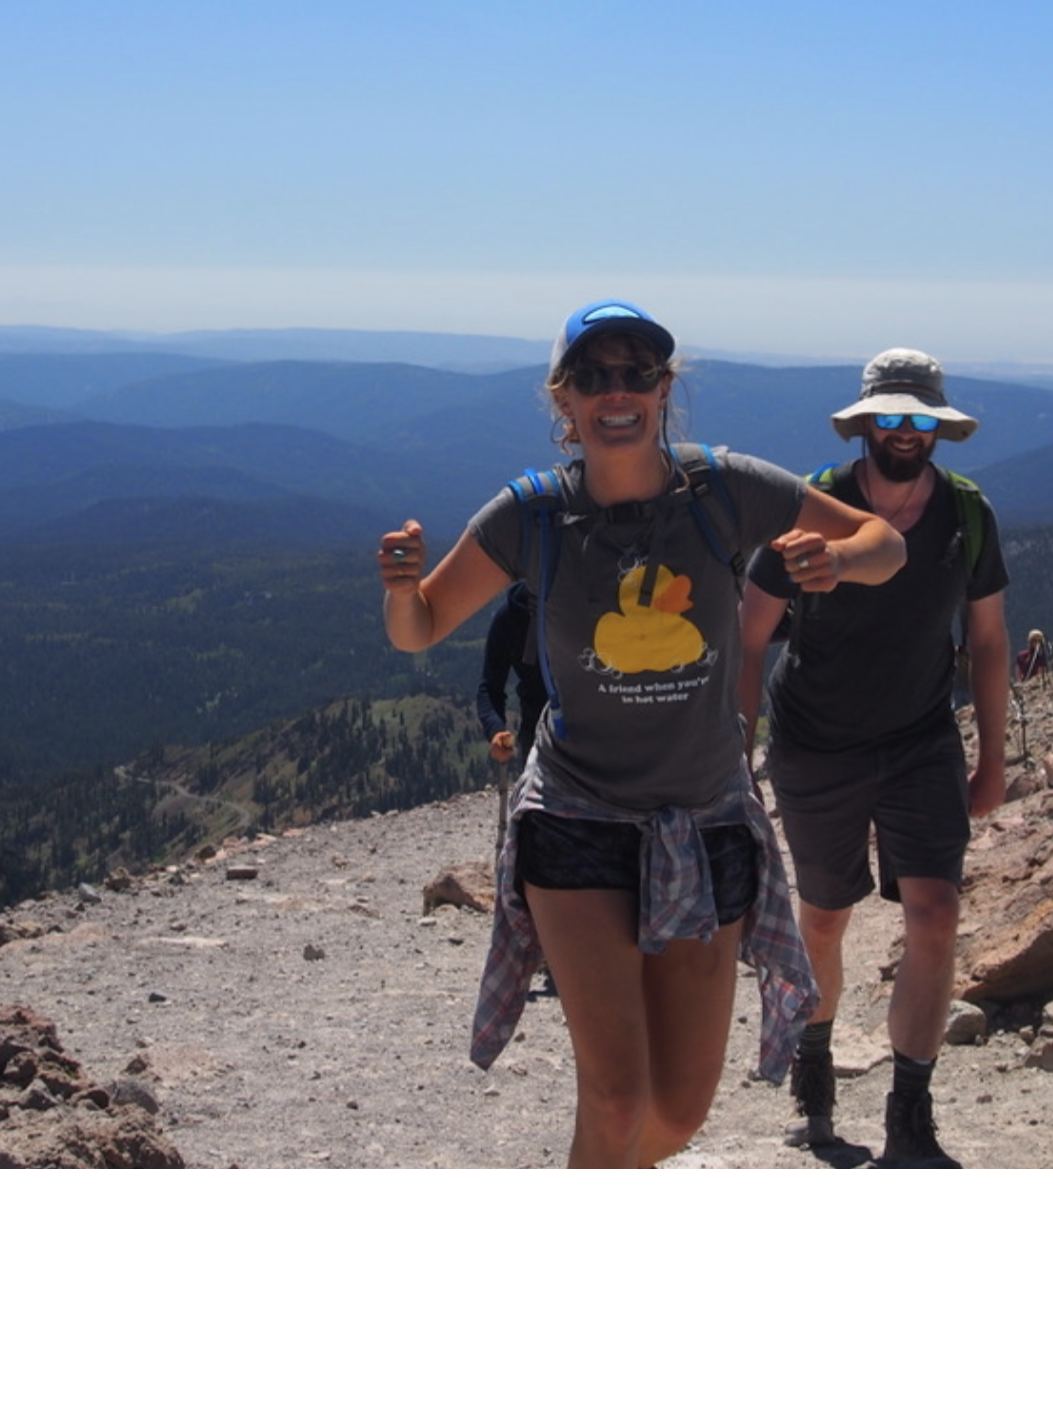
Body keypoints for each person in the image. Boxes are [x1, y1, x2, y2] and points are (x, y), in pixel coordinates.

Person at [380, 299, 904, 1169]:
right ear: (564, 400)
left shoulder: (726, 490)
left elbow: (885, 543)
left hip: (704, 824)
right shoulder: (532, 516)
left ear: (665, 389)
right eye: (593, 376)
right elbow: (421, 624)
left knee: (678, 1112)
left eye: (637, 374)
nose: (616, 391)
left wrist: (839, 560)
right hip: (577, 820)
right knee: (617, 1094)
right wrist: (401, 587)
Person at [739, 347, 1010, 1168]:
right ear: (864, 424)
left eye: (919, 418)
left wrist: (990, 760)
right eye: (889, 417)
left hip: (921, 736)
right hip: (816, 743)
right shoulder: (807, 511)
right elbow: (749, 638)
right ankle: (815, 1071)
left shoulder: (967, 516)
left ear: (939, 428)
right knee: (825, 916)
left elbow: (990, 640)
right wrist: (735, 752)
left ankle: (910, 1112)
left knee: (935, 912)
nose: (904, 432)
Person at [475, 580, 547, 846]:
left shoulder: (509, 616)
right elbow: (490, 688)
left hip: (544, 730)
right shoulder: (509, 619)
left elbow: (489, 688)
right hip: (539, 733)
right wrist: (496, 729)